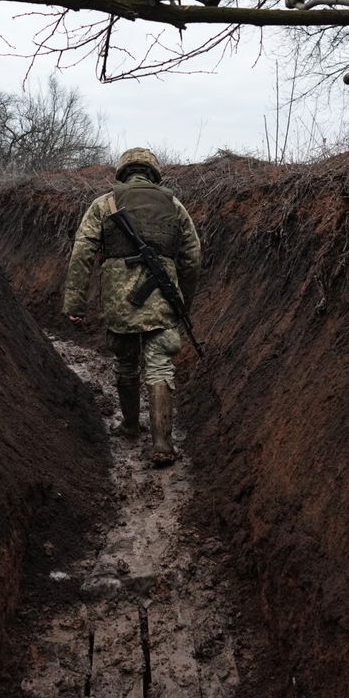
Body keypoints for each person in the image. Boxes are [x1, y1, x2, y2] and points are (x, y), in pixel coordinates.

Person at [63, 147, 201, 465]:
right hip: (163, 303)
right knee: (160, 367)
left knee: (125, 365)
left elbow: (82, 254)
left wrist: (76, 304)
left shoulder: (103, 204)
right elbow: (192, 258)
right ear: (153, 173)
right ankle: (163, 445)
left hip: (118, 302)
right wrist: (183, 301)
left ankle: (129, 427)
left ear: (123, 172)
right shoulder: (174, 205)